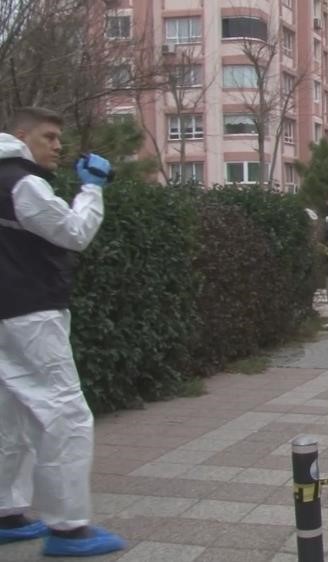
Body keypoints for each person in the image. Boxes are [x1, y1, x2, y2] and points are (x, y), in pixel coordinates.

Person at [0, 107, 126, 556]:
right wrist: (92, 187)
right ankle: (68, 529)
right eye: (49, 137)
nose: (58, 146)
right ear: (21, 135)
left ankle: (7, 512)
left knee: (9, 414)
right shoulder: (23, 181)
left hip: (5, 312)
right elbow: (73, 232)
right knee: (64, 413)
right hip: (32, 312)